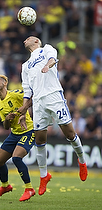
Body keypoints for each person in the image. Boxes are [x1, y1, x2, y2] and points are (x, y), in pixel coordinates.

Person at [17, 36, 88, 196]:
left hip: (54, 96)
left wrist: (47, 66)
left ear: (37, 41)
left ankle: (82, 162)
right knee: (40, 140)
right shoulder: (25, 66)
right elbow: (27, 91)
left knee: (70, 134)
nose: (25, 40)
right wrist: (24, 110)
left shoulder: (46, 49)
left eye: (29, 38)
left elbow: (53, 59)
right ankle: (44, 176)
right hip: (38, 103)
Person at [0, 74, 35, 201]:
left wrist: (23, 110)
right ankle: (5, 186)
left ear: (5, 83)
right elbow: (5, 126)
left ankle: (29, 188)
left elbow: (32, 98)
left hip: (28, 131)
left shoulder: (15, 94)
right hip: (14, 133)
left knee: (16, 158)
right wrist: (8, 120)